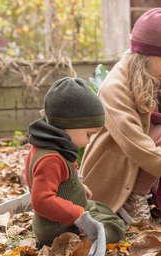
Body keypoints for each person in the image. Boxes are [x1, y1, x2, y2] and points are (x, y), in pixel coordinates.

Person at [79, 8, 161, 225]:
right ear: (144, 54)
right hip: (113, 163)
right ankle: (134, 199)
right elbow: (133, 141)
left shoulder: (155, 78)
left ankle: (143, 192)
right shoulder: (115, 86)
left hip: (142, 160)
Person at [24, 77, 125, 255]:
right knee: (114, 226)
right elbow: (41, 200)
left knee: (102, 209)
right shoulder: (50, 158)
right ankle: (73, 242)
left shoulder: (49, 144)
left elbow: (58, 180)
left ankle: (82, 227)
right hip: (56, 225)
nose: (89, 141)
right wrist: (78, 216)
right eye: (88, 134)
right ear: (66, 128)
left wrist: (78, 187)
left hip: (65, 214)